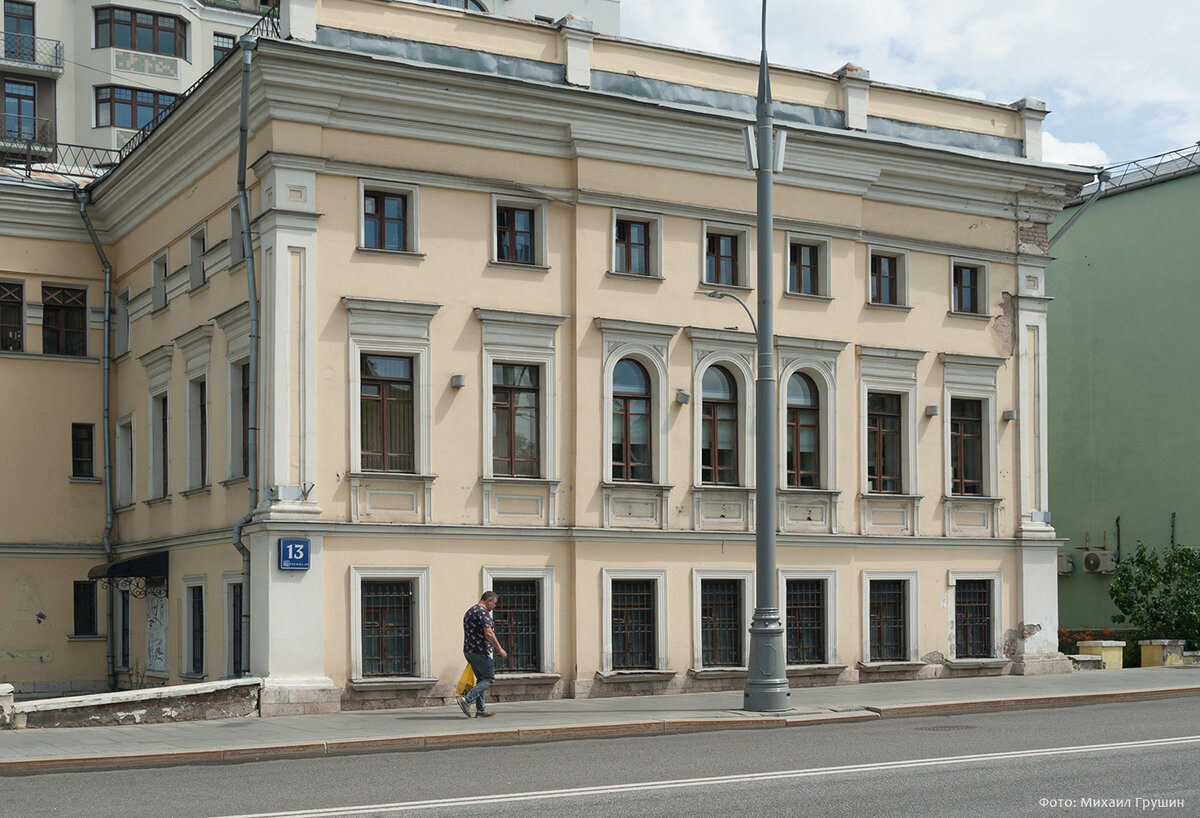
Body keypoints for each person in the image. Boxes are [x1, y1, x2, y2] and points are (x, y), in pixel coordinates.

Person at [457, 590, 507, 718]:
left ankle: (481, 710)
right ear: (488, 601)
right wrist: (500, 648)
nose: (494, 606)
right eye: (494, 603)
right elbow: (489, 633)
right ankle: (466, 700)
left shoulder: (470, 611)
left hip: (469, 651)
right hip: (480, 651)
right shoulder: (483, 613)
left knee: (481, 679)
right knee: (489, 679)